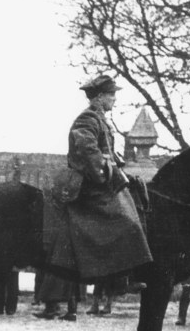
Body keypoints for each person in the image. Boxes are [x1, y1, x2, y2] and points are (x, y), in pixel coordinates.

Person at [44, 74, 152, 293]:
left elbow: (106, 152)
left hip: (98, 179)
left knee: (136, 204)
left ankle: (120, 275)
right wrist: (108, 173)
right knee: (126, 221)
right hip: (89, 183)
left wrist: (118, 165)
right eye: (112, 95)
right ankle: (119, 278)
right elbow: (87, 151)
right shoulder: (87, 119)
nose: (115, 99)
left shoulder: (100, 119)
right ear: (100, 96)